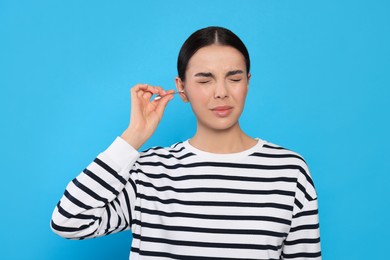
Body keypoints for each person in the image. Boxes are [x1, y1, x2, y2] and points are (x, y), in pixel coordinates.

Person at [51, 26, 321, 260]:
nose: (221, 93)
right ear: (181, 88)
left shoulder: (289, 170)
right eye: (205, 80)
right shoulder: (149, 171)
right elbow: (68, 221)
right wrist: (133, 136)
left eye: (234, 79)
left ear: (248, 83)